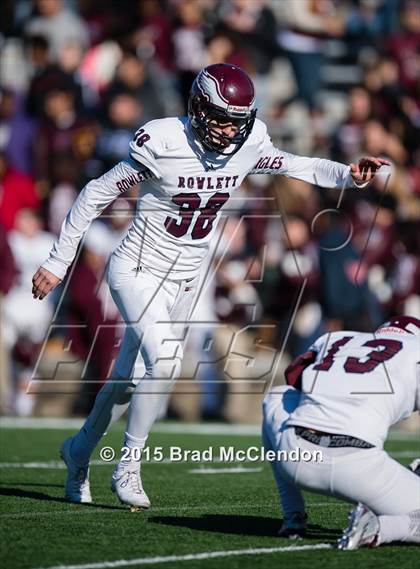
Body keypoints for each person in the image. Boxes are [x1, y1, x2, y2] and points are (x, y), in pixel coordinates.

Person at [32, 63, 389, 509]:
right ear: (198, 108)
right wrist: (59, 259)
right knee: (164, 363)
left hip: (187, 275)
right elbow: (94, 194)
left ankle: (79, 452)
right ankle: (129, 465)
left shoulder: (248, 141)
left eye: (237, 121)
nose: (228, 130)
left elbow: (295, 164)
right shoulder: (163, 141)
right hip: (138, 267)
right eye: (221, 119)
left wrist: (346, 174)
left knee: (128, 381)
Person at [262, 315, 420, 549]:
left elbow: (294, 378)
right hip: (358, 466)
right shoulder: (415, 350)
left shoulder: (336, 338)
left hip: (295, 453)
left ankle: (292, 515)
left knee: (277, 396)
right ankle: (378, 529)